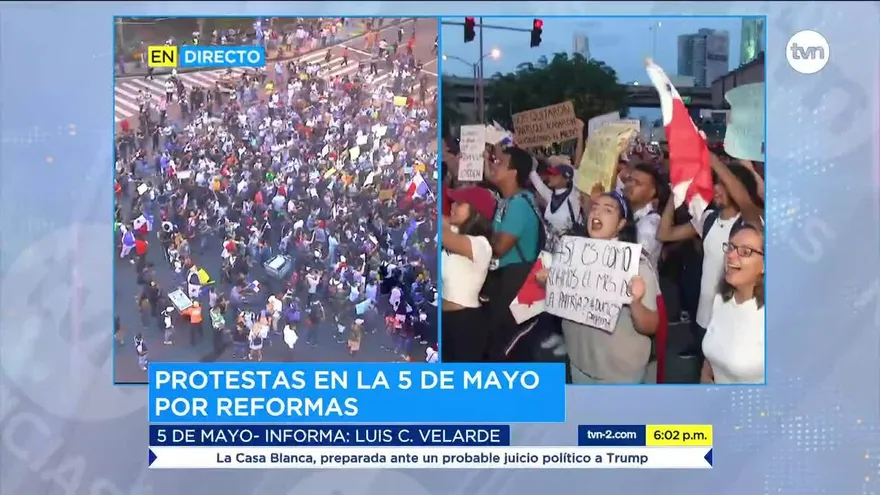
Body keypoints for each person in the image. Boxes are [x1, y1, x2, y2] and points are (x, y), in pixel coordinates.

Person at [552, 192, 660, 383]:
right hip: (579, 364)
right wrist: (551, 282)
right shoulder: (570, 256)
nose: (597, 213)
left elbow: (651, 326)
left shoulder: (637, 266)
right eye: (594, 208)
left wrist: (635, 302)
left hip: (619, 374)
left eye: (608, 210)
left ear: (620, 224)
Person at [484, 145, 545, 361]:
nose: (493, 164)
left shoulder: (519, 204)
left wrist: (476, 237)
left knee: (507, 350)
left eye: (499, 162)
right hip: (507, 281)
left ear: (514, 173)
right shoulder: (508, 200)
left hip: (516, 285)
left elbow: (500, 248)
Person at [701, 224, 765, 384]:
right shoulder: (720, 301)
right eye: (731, 248)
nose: (730, 256)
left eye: (745, 252)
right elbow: (710, 358)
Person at [440, 187, 496, 362]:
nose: (453, 207)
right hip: (446, 319)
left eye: (459, 203)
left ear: (475, 211)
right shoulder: (455, 232)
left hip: (466, 323)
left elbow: (443, 234)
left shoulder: (481, 245)